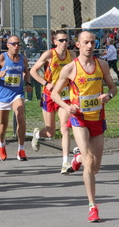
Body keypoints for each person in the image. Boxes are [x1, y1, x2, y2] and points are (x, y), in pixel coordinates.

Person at [51, 31, 117, 222]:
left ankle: (77, 157)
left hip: (97, 118)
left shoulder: (101, 65)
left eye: (92, 42)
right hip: (79, 118)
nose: (90, 46)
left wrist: (108, 96)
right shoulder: (70, 68)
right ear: (78, 45)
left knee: (95, 167)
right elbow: (55, 94)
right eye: (86, 42)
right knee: (89, 162)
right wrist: (66, 106)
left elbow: (113, 88)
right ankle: (92, 206)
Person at [30, 30, 77, 174]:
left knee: (64, 128)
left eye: (66, 40)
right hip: (49, 95)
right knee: (50, 132)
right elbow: (33, 71)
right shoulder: (49, 55)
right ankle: (37, 135)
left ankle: (65, 163)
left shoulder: (72, 55)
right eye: (61, 40)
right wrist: (46, 83)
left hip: (64, 96)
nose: (64, 43)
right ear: (55, 42)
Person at [0, 36, 32, 161]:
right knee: (3, 124)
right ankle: (1, 144)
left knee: (21, 117)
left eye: (18, 44)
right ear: (8, 45)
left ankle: (21, 149)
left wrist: (28, 83)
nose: (16, 46)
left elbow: (26, 72)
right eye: (13, 44)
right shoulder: (1, 58)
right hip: (2, 95)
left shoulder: (23, 59)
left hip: (17, 94)